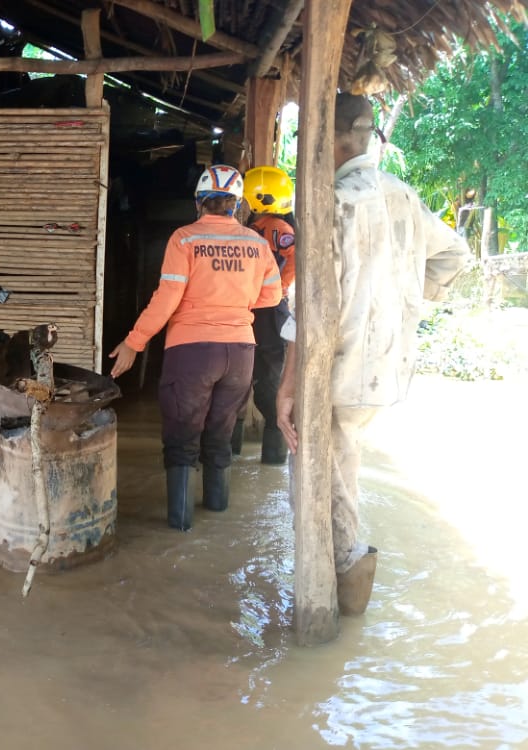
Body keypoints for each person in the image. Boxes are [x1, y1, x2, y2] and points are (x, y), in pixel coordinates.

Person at [275, 93, 471, 614]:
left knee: (315, 486)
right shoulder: (403, 195)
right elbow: (457, 253)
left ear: (332, 141)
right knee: (343, 473)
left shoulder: (332, 201)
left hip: (334, 371)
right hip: (388, 369)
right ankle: (345, 607)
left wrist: (288, 385)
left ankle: (335, 606)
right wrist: (408, 301)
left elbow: (311, 306)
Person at [109, 164, 282, 531]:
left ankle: (181, 522)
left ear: (198, 203)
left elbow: (167, 296)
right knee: (220, 431)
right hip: (240, 352)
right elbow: (272, 295)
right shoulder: (257, 243)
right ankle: (217, 509)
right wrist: (234, 302)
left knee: (182, 433)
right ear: (237, 205)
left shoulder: (184, 239)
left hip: (192, 351)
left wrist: (133, 342)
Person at [231, 165, 297, 464]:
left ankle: (256, 452)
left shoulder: (274, 230)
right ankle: (270, 455)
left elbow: (294, 260)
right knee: (256, 381)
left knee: (254, 382)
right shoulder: (264, 228)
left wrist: (279, 289)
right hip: (260, 312)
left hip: (263, 312)